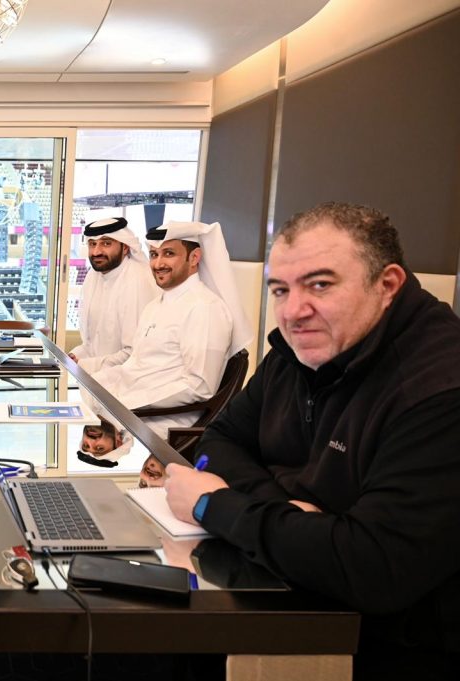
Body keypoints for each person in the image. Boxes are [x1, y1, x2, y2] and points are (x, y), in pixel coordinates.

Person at [163, 203, 460, 679]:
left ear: (387, 285)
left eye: (320, 285)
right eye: (281, 289)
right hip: (290, 585)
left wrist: (211, 505)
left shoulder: (438, 387)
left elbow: (373, 568)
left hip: (393, 642)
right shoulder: (297, 351)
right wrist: (288, 514)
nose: (293, 311)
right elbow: (218, 440)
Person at [91, 221, 251, 439]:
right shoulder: (156, 305)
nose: (158, 264)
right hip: (132, 410)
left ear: (194, 258)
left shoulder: (204, 308)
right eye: (154, 255)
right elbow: (138, 366)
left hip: (163, 421)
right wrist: (98, 382)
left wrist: (128, 401)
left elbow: (198, 386)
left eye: (168, 254)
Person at [69, 216, 158, 373]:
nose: (97, 252)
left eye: (106, 243)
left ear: (125, 248)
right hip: (96, 378)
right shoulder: (93, 276)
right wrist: (73, 356)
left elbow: (134, 354)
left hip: (125, 382)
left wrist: (84, 364)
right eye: (92, 244)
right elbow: (91, 344)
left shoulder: (138, 280)